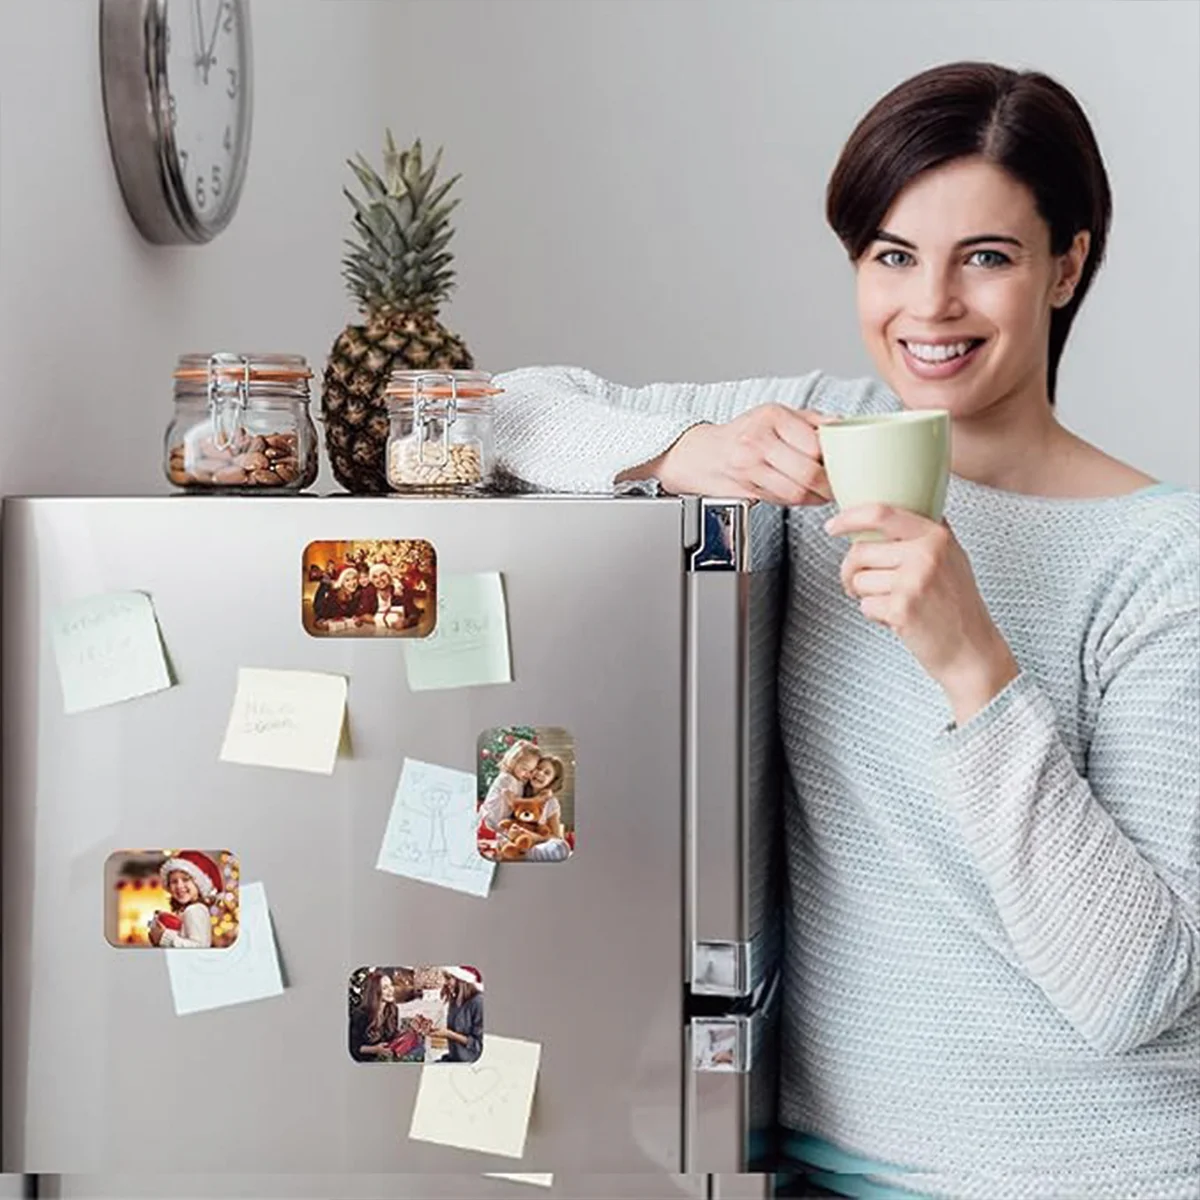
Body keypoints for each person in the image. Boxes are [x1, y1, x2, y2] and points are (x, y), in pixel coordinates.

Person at [489, 61, 1199, 1200]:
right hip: (819, 1166)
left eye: (987, 257)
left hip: (1099, 1176)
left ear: (1066, 266)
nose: (931, 308)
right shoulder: (826, 437)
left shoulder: (1163, 562)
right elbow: (488, 413)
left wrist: (973, 663)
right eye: (892, 256)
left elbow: (1137, 990)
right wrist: (681, 452)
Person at [147, 850, 221, 949]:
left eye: (185, 879)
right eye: (174, 881)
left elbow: (199, 946)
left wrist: (163, 937)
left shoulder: (194, 910)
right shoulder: (190, 910)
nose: (179, 886)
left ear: (199, 885)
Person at [428, 966, 484, 1063]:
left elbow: (478, 1046)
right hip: (454, 1058)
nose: (445, 982)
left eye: (448, 978)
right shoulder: (455, 999)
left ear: (461, 979)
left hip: (470, 1063)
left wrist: (449, 1034)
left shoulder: (478, 1002)